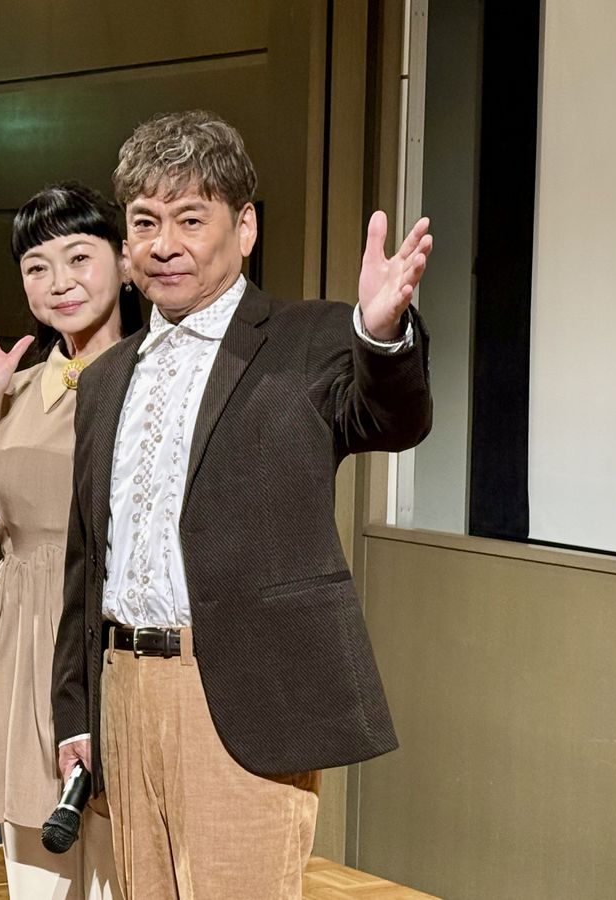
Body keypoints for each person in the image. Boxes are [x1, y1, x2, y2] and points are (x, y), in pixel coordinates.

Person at [52, 110, 433, 899]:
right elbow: (86, 562)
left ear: (245, 226)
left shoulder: (310, 340)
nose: (164, 244)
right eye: (145, 222)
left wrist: (380, 334)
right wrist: (77, 715)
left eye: (191, 219)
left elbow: (393, 420)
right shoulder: (106, 379)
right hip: (123, 695)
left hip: (240, 700)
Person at [0, 183, 136, 900]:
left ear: (126, 262)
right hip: (21, 641)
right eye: (37, 267)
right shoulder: (12, 389)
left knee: (120, 870)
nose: (59, 282)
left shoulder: (152, 382)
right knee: (38, 879)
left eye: (79, 257)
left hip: (112, 638)